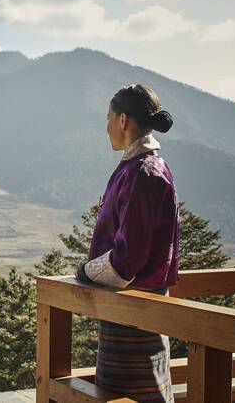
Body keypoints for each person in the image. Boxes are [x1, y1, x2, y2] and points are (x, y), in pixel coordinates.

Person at [75, 84, 180, 403]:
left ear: (122, 120)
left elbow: (126, 261)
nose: (105, 125)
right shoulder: (144, 168)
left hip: (136, 309)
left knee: (133, 395)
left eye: (107, 117)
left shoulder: (143, 173)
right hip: (137, 306)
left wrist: (85, 271)